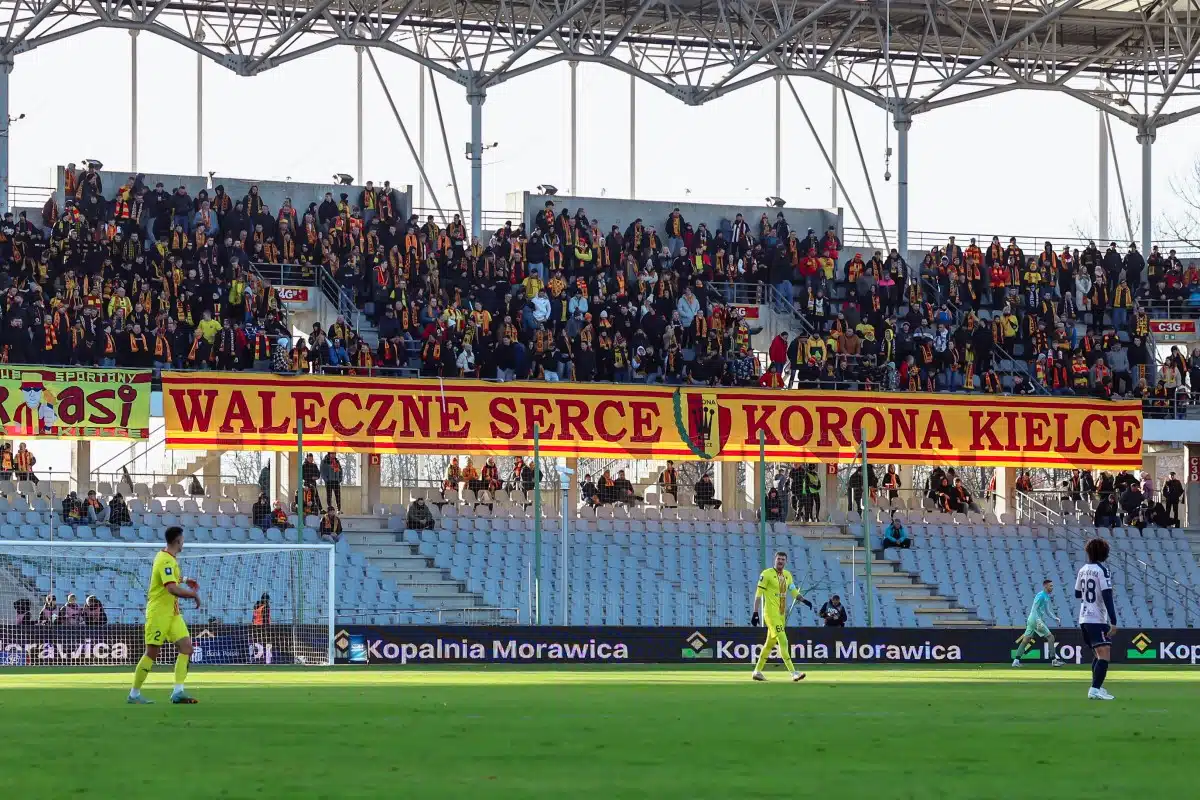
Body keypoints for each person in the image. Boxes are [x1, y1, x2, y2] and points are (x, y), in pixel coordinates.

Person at [128, 526, 201, 705]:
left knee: (187, 648)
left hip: (173, 614)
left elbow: (171, 579)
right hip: (159, 613)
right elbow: (171, 588)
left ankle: (178, 692)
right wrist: (192, 594)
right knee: (152, 652)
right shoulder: (165, 560)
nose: (183, 542)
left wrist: (185, 580)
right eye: (182, 539)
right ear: (178, 541)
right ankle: (134, 694)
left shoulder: (169, 559)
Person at [749, 550, 811, 682]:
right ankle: (793, 672)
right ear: (774, 560)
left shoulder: (788, 575)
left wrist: (803, 600)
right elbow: (758, 594)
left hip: (781, 614)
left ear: (786, 562)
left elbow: (793, 591)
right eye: (778, 559)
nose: (780, 561)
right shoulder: (766, 574)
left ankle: (757, 671)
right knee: (783, 639)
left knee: (769, 644)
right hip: (770, 614)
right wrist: (755, 612)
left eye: (783, 559)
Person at [1076, 537, 1118, 700]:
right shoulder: (1102, 570)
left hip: (1084, 617)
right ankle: (1094, 689)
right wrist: (1113, 622)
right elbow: (1107, 596)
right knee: (1104, 654)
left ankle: (1097, 687)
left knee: (1097, 654)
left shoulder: (1082, 569)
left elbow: (1077, 593)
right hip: (1096, 618)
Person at [1011, 579, 1064, 667]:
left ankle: (1016, 661)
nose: (1052, 587)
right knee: (1050, 637)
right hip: (1036, 620)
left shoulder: (1046, 596)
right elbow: (1034, 609)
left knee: (1026, 640)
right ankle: (1054, 661)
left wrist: (1055, 618)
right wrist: (1038, 621)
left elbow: (1047, 610)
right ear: (1045, 586)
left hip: (1032, 620)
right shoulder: (1040, 596)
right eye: (1050, 586)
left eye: (1052, 586)